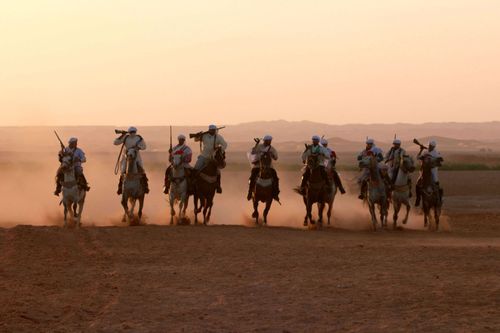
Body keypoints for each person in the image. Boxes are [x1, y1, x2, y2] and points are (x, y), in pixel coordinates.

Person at [114, 126, 149, 195]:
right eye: (131, 132)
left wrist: (138, 147)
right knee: (123, 171)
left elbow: (144, 146)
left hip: (136, 156)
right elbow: (115, 143)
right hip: (126, 156)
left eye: (134, 132)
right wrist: (122, 135)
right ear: (129, 132)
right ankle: (120, 188)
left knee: (142, 170)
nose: (133, 133)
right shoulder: (126, 137)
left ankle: (145, 187)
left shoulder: (139, 138)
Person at [193, 124, 228, 193]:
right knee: (196, 168)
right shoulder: (204, 135)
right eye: (212, 130)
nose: (213, 131)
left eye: (214, 130)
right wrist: (197, 135)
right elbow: (196, 140)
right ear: (209, 130)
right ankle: (193, 184)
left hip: (213, 158)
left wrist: (220, 149)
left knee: (218, 172)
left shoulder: (218, 137)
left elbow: (225, 144)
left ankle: (218, 186)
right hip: (204, 156)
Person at [247, 135, 280, 201]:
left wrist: (272, 155)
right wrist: (256, 144)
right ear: (264, 141)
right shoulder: (259, 147)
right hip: (258, 166)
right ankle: (250, 192)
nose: (269, 142)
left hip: (269, 167)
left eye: (270, 141)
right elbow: (253, 152)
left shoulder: (271, 148)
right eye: (268, 141)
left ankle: (275, 193)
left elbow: (276, 157)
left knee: (275, 178)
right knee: (252, 177)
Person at [415, 140, 444, 206]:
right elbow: (417, 157)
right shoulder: (425, 152)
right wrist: (421, 150)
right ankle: (418, 198)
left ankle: (439, 199)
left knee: (436, 183)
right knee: (417, 184)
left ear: (433, 147)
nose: (429, 147)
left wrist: (436, 160)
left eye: (431, 146)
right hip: (424, 171)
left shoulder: (436, 153)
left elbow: (440, 159)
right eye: (429, 146)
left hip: (433, 171)